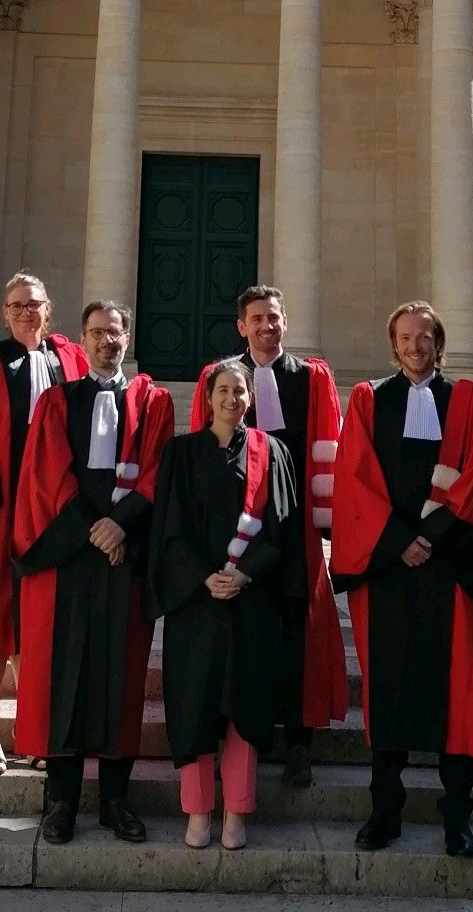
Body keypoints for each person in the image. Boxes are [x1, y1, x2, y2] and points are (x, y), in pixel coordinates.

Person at [329, 300, 473, 858]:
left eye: (424, 336)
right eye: (405, 337)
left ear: (439, 342)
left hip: (452, 569)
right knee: (389, 690)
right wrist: (396, 542)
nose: (415, 345)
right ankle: (385, 810)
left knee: (456, 694)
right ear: (393, 345)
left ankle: (457, 815)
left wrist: (427, 538)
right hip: (389, 571)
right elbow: (354, 478)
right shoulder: (367, 401)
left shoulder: (469, 405)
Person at [12, 300, 175, 845]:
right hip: (70, 559)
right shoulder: (58, 401)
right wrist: (93, 527)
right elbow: (47, 473)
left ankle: (115, 800)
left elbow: (157, 470)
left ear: (129, 338)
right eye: (96, 333)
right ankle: (59, 802)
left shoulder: (153, 404)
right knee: (65, 677)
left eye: (115, 332)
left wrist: (120, 526)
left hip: (123, 559)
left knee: (120, 677)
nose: (107, 341)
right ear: (81, 341)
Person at [190, 285, 347, 787]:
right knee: (233, 629)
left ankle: (298, 741)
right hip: (238, 529)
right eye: (256, 318)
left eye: (273, 317)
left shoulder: (311, 378)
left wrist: (326, 524)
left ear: (285, 322)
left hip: (295, 527)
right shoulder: (220, 378)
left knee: (296, 629)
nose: (265, 326)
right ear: (241, 325)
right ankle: (227, 735)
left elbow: (328, 446)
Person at [149, 360, 305, 851]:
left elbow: (282, 526)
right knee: (194, 705)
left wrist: (244, 572)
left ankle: (237, 810)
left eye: (239, 391)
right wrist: (204, 575)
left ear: (251, 399)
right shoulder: (180, 453)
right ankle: (197, 811)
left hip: (250, 599)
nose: (231, 399)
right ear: (207, 396)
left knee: (245, 706)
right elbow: (169, 528)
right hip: (195, 603)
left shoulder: (273, 452)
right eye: (222, 390)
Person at [0, 272, 89, 775]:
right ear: (4, 312)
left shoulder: (69, 359)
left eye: (35, 304)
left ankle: (34, 725)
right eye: (17, 305)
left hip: (53, 507)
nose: (27, 312)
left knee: (43, 615)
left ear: (50, 310)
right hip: (1, 505)